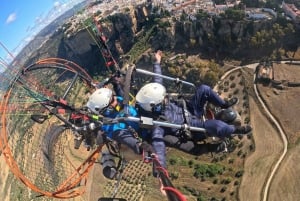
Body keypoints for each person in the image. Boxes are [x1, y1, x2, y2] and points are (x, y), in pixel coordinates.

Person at [135, 50, 252, 169]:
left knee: (204, 89)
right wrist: (160, 168)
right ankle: (237, 130)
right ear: (156, 105)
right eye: (163, 99)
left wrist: (156, 63)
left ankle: (224, 104)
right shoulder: (157, 125)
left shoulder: (157, 102)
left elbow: (157, 81)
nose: (166, 98)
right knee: (217, 126)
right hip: (192, 127)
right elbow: (158, 145)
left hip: (189, 109)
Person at [86, 81, 153, 179]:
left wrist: (116, 84)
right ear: (107, 108)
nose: (115, 98)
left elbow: (122, 98)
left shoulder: (118, 103)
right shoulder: (112, 127)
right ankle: (108, 161)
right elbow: (124, 137)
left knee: (154, 122)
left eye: (113, 96)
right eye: (113, 99)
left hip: (139, 123)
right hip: (135, 142)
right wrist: (140, 146)